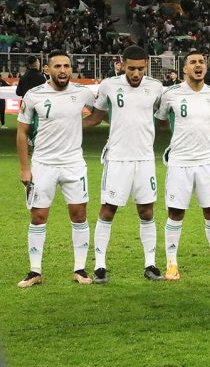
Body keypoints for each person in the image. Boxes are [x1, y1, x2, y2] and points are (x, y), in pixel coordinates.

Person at [82, 46, 165, 283]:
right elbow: (96, 117)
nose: (136, 73)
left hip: (145, 158)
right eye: (131, 68)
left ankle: (150, 264)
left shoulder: (156, 87)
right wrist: (67, 126)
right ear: (122, 65)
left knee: (147, 211)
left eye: (140, 68)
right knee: (108, 210)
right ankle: (99, 266)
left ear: (146, 66)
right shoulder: (109, 85)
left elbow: (162, 117)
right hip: (118, 158)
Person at [16, 51, 96, 287]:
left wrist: (79, 125)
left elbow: (100, 113)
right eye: (58, 66)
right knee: (38, 216)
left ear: (72, 69)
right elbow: (21, 132)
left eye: (67, 66)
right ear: (47, 70)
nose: (63, 70)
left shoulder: (82, 92)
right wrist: (24, 168)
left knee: (79, 215)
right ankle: (35, 271)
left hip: (74, 164)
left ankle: (80, 269)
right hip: (43, 165)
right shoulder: (34, 95)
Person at [154, 52, 210, 281]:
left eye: (201, 62)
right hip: (180, 161)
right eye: (193, 63)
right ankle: (171, 264)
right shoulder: (171, 94)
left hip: (207, 162)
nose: (198, 66)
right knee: (176, 212)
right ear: (184, 69)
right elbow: (160, 120)